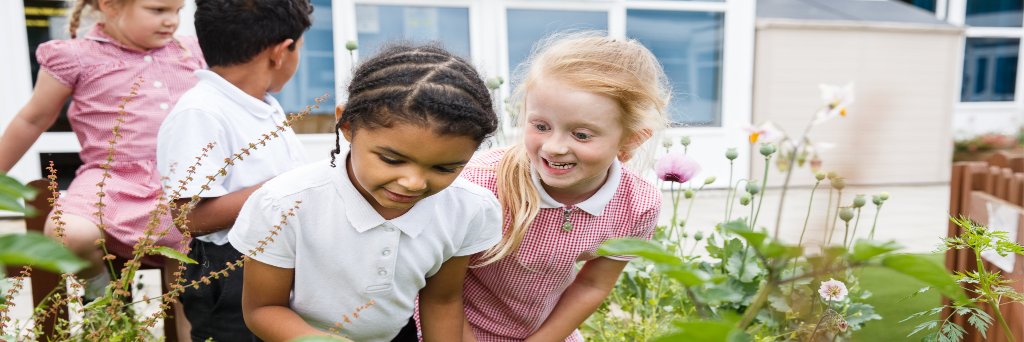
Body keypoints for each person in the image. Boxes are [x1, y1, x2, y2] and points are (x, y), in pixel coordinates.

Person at [229, 43, 503, 342]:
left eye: (444, 168)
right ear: (347, 125)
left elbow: (442, 301)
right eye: (391, 160)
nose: (413, 182)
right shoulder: (283, 204)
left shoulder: (468, 208)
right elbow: (263, 309)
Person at [461, 31, 671, 341]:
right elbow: (439, 290)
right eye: (541, 126)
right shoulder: (481, 184)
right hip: (456, 325)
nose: (554, 147)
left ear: (630, 139)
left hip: (544, 332)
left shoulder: (637, 205)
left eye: (582, 135)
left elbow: (592, 285)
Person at [0, 0, 204, 285]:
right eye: (158, 10)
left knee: (188, 267)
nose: (171, 21)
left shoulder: (190, 51)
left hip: (184, 178)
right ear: (111, 6)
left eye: (177, 11)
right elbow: (32, 120)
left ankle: (193, 326)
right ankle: (102, 295)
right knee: (68, 235)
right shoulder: (77, 56)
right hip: (111, 179)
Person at [155, 0, 312, 340]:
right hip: (229, 270)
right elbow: (190, 218)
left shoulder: (262, 104)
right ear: (281, 52)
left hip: (274, 260)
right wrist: (286, 187)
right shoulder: (201, 113)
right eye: (300, 48)